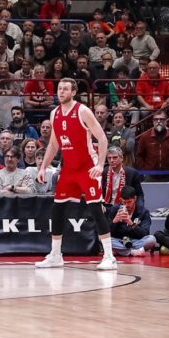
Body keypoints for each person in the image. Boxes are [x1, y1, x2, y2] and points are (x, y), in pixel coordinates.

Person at [34, 78, 117, 271]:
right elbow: (54, 144)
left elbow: (102, 138)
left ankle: (110, 256)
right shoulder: (54, 113)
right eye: (59, 88)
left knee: (96, 210)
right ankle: (55, 255)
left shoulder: (83, 111)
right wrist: (43, 167)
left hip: (87, 167)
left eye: (65, 89)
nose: (61, 91)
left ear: (73, 92)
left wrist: (100, 164)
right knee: (57, 209)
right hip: (68, 169)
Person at [106, 186, 156, 255]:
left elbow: (145, 233)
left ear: (135, 198)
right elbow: (107, 232)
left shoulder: (143, 212)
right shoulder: (115, 209)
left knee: (152, 239)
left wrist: (131, 223)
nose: (126, 205)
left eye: (129, 202)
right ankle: (131, 252)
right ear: (121, 200)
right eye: (124, 202)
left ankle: (120, 251)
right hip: (119, 240)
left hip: (135, 241)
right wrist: (114, 222)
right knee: (103, 239)